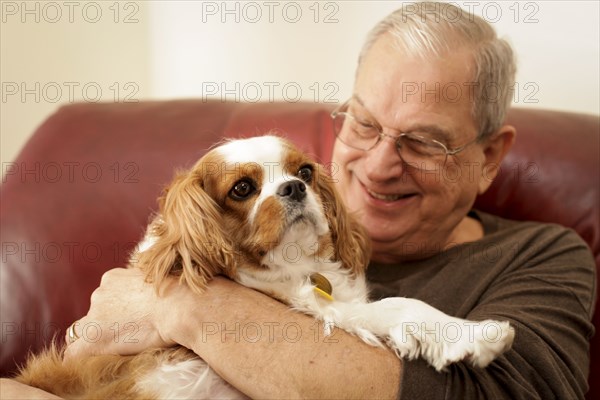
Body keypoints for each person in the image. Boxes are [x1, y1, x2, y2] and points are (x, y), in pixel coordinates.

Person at [2, 2, 595, 399]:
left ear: (490, 157)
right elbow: (90, 347)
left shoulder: (541, 255)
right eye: (363, 124)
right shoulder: (204, 237)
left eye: (422, 141)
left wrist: (181, 308)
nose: (380, 163)